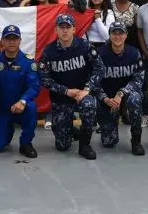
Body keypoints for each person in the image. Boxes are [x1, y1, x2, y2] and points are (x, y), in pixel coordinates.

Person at [39, 13, 105, 160]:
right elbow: (44, 78)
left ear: (74, 29)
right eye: (61, 27)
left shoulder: (85, 46)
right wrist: (66, 91)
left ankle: (85, 145)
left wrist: (86, 89)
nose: (65, 31)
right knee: (62, 146)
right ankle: (68, 129)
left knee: (89, 106)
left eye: (68, 27)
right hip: (62, 97)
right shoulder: (49, 52)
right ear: (56, 30)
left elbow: (100, 69)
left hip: (83, 93)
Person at [0, 24, 41, 157]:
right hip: (2, 110)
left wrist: (22, 101)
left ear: (20, 41)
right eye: (8, 38)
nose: (12, 42)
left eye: (15, 39)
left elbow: (34, 86)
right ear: (2, 41)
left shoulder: (29, 62)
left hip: (21, 108)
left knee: (32, 107)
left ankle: (26, 143)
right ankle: (7, 130)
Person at [96, 20, 146, 155]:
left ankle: (136, 141)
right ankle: (109, 123)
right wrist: (105, 98)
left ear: (126, 35)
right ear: (110, 35)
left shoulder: (134, 53)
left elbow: (138, 79)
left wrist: (122, 93)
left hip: (126, 95)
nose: (117, 36)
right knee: (109, 142)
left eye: (121, 33)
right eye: (114, 33)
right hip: (108, 98)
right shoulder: (100, 54)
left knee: (135, 99)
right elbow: (94, 82)